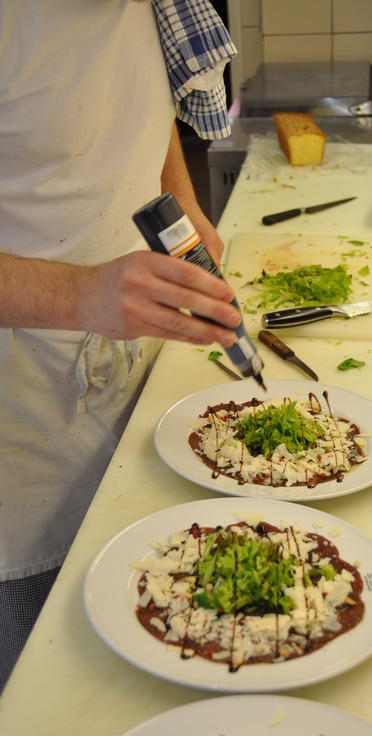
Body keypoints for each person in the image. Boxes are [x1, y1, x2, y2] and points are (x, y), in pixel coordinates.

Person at [0, 0, 237, 693]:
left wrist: (183, 202)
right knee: (64, 697)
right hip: (26, 445)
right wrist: (81, 296)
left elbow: (138, 109)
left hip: (139, 407)